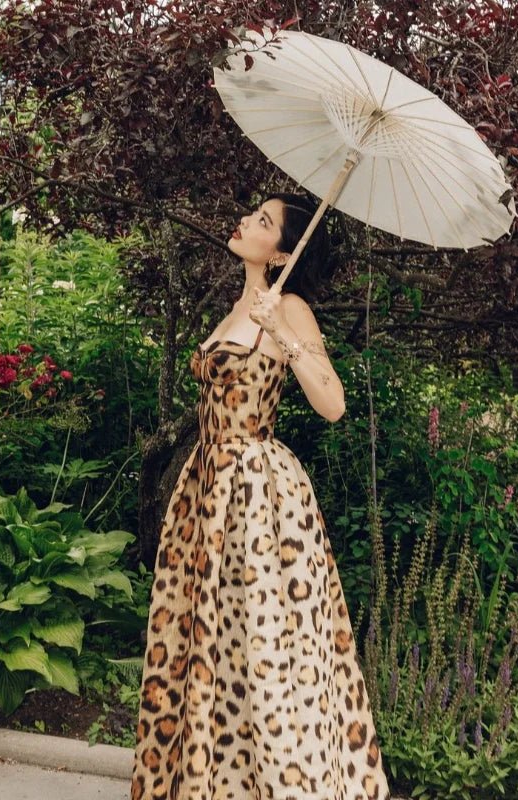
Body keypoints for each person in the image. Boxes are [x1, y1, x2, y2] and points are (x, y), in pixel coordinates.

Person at [130, 192, 392, 800]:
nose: (247, 220)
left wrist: (281, 332)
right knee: (209, 641)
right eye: (254, 213)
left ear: (279, 254)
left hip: (255, 495)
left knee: (264, 644)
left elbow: (333, 404)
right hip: (205, 488)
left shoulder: (289, 308)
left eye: (265, 221)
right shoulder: (236, 307)